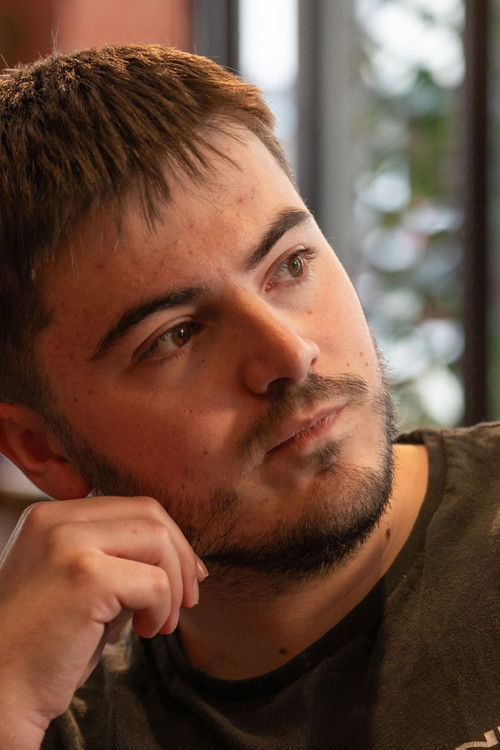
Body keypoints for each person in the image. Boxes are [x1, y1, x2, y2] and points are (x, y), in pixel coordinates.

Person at [0, 44, 497, 750]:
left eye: (290, 265)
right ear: (42, 450)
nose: (290, 353)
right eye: (175, 336)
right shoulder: (44, 712)